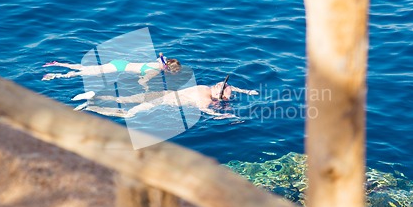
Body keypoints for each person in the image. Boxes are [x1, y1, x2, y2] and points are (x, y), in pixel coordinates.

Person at [72, 75, 258, 118]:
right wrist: (247, 93)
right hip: (161, 99)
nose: (222, 84)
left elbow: (230, 87)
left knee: (126, 106)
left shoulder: (205, 93)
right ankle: (92, 103)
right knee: (127, 108)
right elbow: (207, 110)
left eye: (223, 86)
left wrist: (247, 92)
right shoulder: (208, 94)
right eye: (223, 84)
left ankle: (92, 101)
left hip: (161, 97)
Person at [42, 53, 181, 89]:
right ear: (168, 69)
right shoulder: (156, 71)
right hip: (117, 68)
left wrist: (163, 59)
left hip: (120, 63)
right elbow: (141, 81)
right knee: (84, 73)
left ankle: (58, 63)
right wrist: (146, 88)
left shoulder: (160, 62)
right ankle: (55, 76)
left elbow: (161, 58)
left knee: (86, 69)